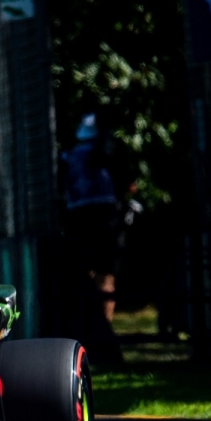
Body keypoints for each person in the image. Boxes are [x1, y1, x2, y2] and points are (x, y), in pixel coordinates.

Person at [61, 113, 122, 323]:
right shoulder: (105, 154)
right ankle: (105, 323)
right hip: (103, 214)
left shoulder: (69, 156)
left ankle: (92, 322)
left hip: (78, 215)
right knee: (106, 272)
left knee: (86, 269)